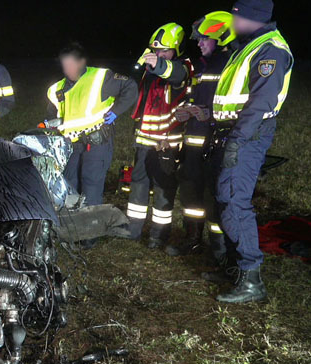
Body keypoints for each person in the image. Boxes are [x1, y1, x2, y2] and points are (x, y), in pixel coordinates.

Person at [210, 0, 293, 303]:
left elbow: (260, 104)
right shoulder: (248, 46)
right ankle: (234, 268)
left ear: (251, 17)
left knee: (234, 201)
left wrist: (237, 142)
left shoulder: (270, 49)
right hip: (233, 133)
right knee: (224, 199)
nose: (231, 21)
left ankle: (251, 279)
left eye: (235, 16)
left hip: (246, 136)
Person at [166, 11, 235, 258]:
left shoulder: (232, 66)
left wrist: (211, 115)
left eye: (205, 38)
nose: (199, 42)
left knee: (214, 197)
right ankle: (193, 239)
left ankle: (219, 251)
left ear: (221, 37)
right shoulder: (202, 67)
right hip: (193, 144)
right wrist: (185, 110)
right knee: (191, 193)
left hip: (216, 145)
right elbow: (193, 97)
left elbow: (239, 106)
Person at [45, 42, 138, 212]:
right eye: (65, 65)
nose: (68, 69)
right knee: (69, 182)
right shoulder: (56, 88)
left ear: (81, 62)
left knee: (91, 185)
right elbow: (52, 116)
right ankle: (71, 227)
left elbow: (130, 88)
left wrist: (116, 112)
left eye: (72, 64)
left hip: (96, 142)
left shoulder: (100, 78)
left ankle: (90, 233)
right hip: (71, 145)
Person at [126, 23, 193, 248]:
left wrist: (159, 64)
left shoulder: (183, 67)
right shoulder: (150, 70)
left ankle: (158, 236)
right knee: (138, 186)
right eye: (156, 50)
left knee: (164, 191)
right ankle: (132, 231)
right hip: (144, 141)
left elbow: (175, 75)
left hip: (167, 144)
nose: (159, 54)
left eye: (165, 50)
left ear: (178, 50)